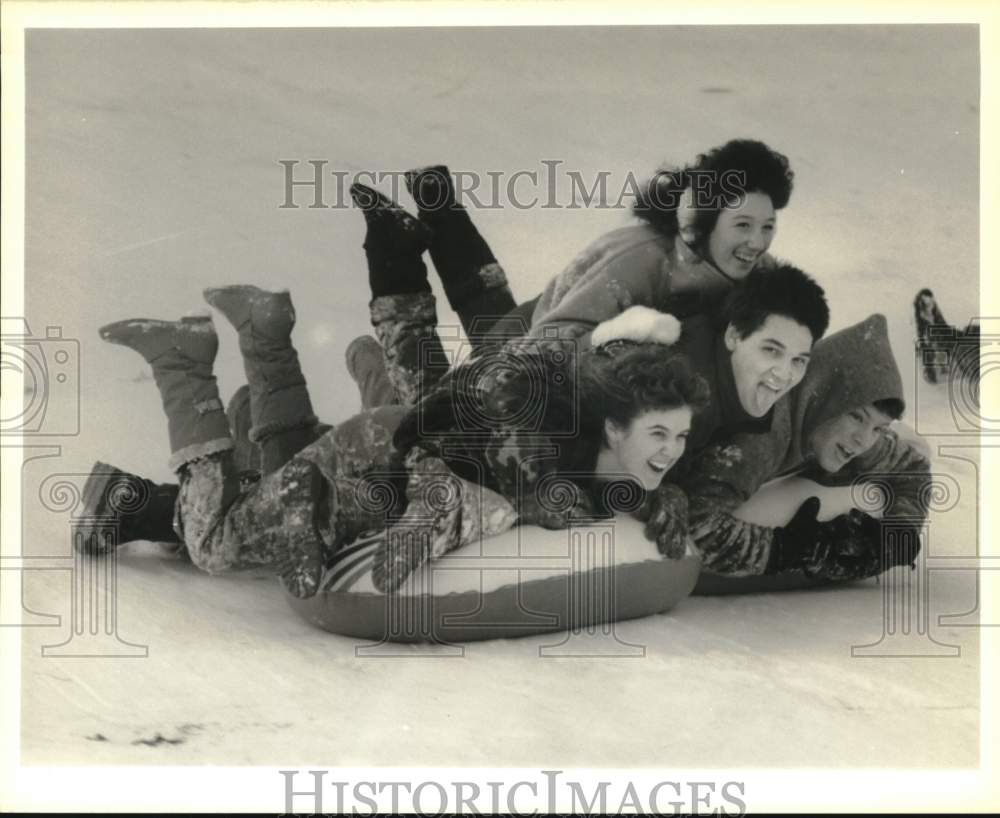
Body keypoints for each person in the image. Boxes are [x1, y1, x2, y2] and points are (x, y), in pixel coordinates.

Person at [92, 280, 711, 599]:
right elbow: (455, 482)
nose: (671, 450)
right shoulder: (539, 458)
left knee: (273, 468)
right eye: (659, 433)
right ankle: (182, 362)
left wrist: (667, 501)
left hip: (386, 455)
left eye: (680, 435)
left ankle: (263, 336)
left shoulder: (612, 468)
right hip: (376, 456)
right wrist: (428, 525)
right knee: (215, 544)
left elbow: (626, 495)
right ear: (612, 428)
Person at [678, 313, 932, 580]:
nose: (864, 440)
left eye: (879, 428)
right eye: (856, 417)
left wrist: (900, 532)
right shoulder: (760, 436)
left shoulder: (853, 436)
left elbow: (913, 469)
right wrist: (786, 549)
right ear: (823, 402)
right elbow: (694, 526)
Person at [525, 139, 795, 344]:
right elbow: (545, 343)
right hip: (523, 351)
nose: (757, 243)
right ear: (704, 221)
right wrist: (622, 340)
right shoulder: (639, 260)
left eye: (768, 226)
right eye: (743, 225)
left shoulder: (763, 271)